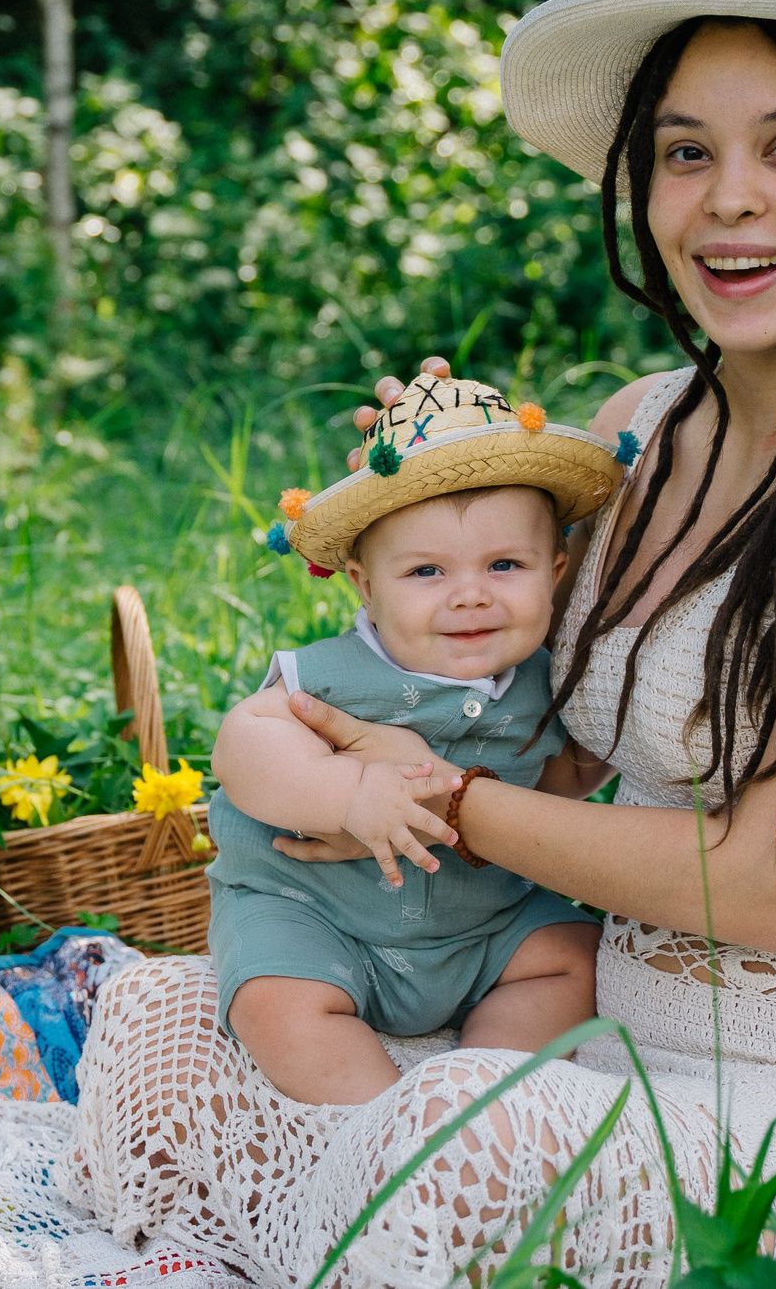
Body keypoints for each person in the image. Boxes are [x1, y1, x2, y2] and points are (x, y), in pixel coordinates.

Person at [62, 0, 776, 1287]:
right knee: (170, 1026)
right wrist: (400, 508)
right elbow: (498, 667)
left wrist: (424, 793)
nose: (729, 198)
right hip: (590, 1008)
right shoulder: (638, 430)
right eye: (688, 151)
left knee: (451, 1139)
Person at [207, 375, 624, 1103]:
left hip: (483, 923)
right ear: (365, 586)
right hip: (320, 919)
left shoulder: (546, 680)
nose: (469, 593)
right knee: (275, 1000)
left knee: (577, 956)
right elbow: (243, 743)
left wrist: (592, 759)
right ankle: (377, 1123)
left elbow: (551, 784)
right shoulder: (333, 676)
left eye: (504, 565)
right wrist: (348, 790)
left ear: (555, 573)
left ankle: (482, 1088)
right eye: (426, 571)